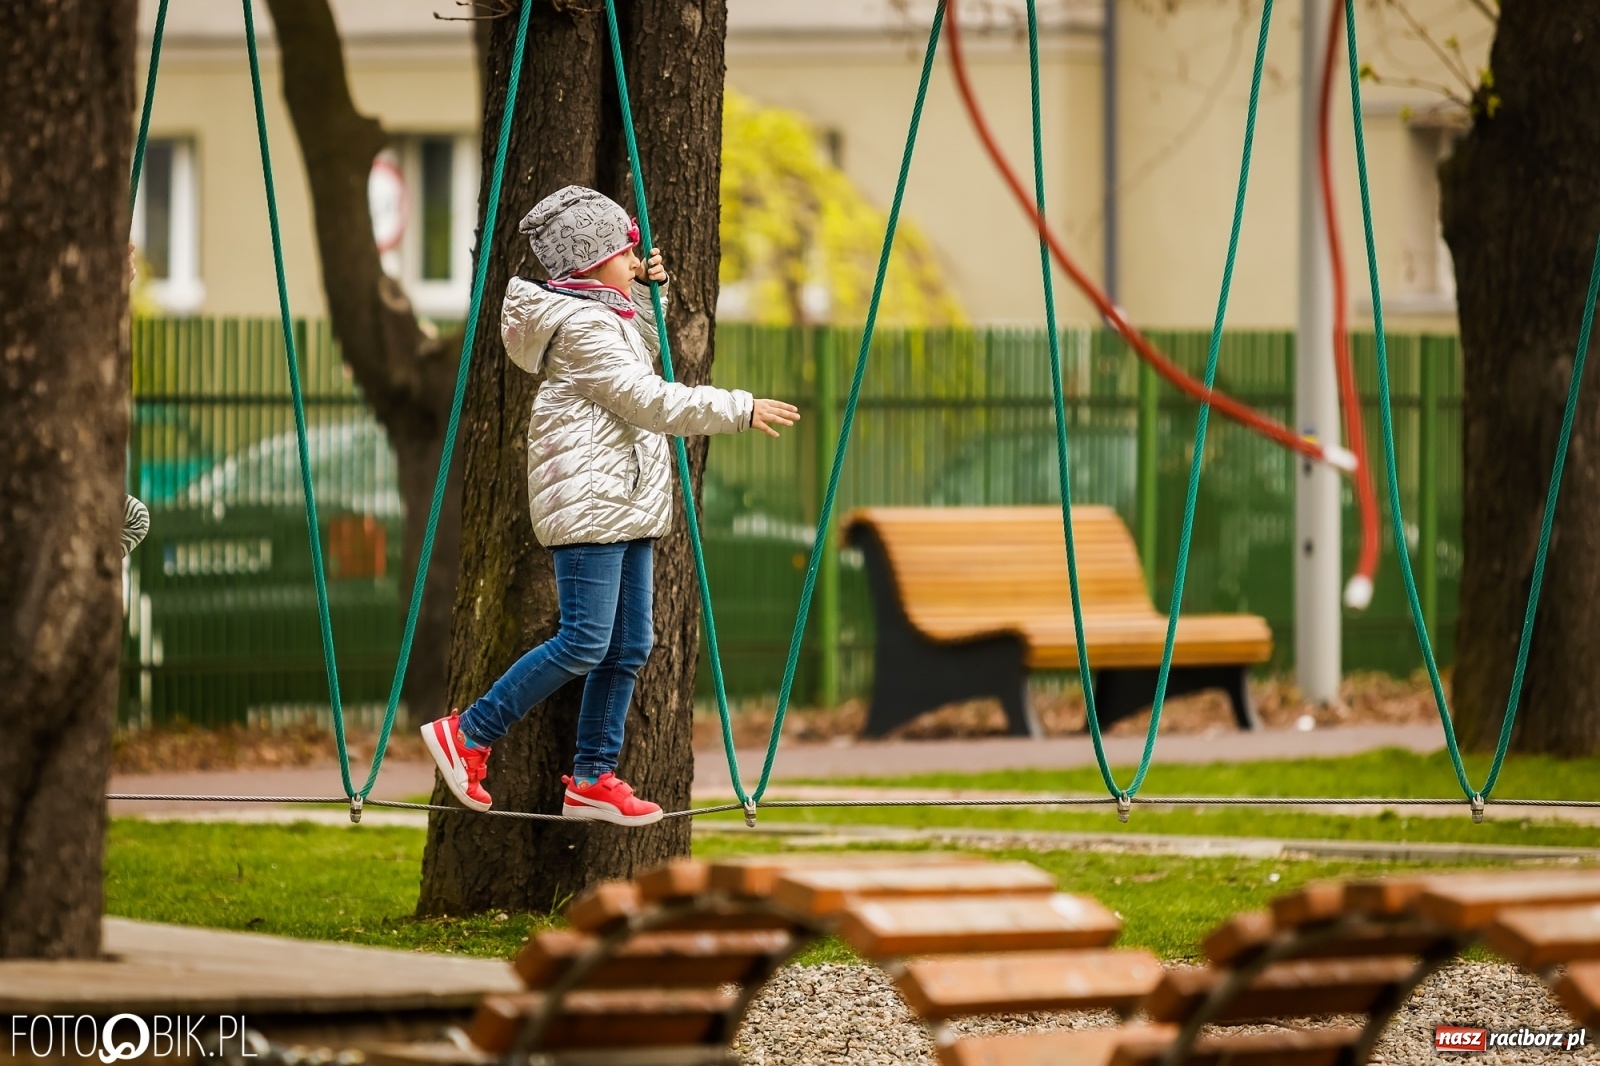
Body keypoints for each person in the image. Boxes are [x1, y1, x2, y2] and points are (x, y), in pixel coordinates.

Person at [421, 186, 800, 826]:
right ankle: (469, 734)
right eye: (626, 251)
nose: (637, 258)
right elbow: (648, 398)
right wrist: (740, 408)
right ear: (593, 261)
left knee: (628, 644)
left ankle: (592, 778)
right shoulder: (581, 326)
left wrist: (649, 294)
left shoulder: (607, 316)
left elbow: (642, 351)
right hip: (592, 502)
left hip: (621, 503)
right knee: (584, 641)